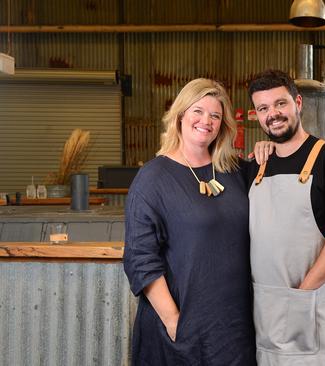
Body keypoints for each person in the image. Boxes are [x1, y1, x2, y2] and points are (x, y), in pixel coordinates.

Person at [123, 78, 256, 365]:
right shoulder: (152, 178)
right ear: (181, 114)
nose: (206, 121)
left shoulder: (236, 171)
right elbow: (140, 258)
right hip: (181, 330)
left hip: (234, 329)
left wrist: (269, 148)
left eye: (215, 115)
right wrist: (174, 321)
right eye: (198, 111)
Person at [247, 69, 325, 365]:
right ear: (256, 115)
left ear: (298, 103)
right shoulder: (255, 166)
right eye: (263, 108)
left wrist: (300, 297)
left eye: (280, 103)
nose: (273, 114)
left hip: (308, 309)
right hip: (262, 314)